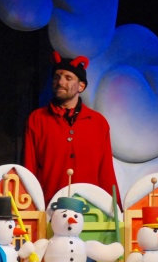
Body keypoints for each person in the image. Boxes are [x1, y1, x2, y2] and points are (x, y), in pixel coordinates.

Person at [23, 50, 119, 199]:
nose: (61, 82)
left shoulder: (98, 123)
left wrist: (114, 207)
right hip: (50, 205)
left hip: (89, 206)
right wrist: (30, 205)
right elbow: (29, 167)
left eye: (68, 78)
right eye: (57, 77)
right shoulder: (37, 119)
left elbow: (106, 171)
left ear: (81, 86)